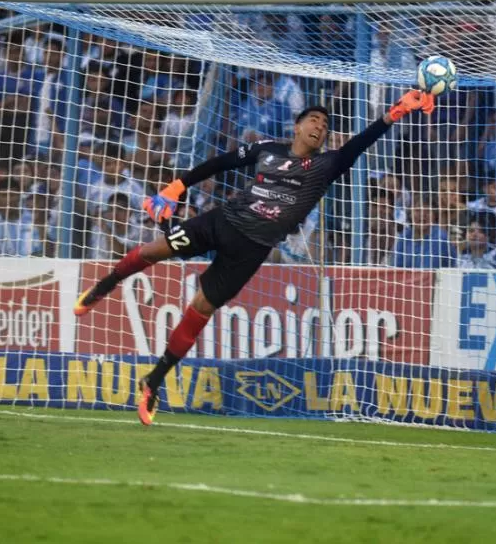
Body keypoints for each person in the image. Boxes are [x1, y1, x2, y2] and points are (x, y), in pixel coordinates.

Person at [73, 90, 437, 425]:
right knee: (153, 251)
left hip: (252, 250)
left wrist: (396, 113)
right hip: (222, 221)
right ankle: (103, 287)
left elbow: (361, 143)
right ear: (297, 126)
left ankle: (154, 381)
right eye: (314, 121)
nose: (320, 128)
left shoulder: (327, 165)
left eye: (325, 126)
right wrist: (178, 185)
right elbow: (221, 163)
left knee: (200, 309)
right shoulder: (267, 150)